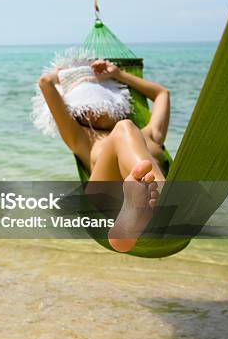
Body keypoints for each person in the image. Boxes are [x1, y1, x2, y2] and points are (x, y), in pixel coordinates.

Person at [38, 59, 170, 252]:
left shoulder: (150, 133)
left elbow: (162, 94)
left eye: (94, 104)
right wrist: (63, 75)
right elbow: (45, 83)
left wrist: (118, 75)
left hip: (143, 200)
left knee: (126, 128)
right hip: (104, 198)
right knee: (124, 128)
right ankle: (157, 199)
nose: (89, 114)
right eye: (81, 110)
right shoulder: (83, 138)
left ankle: (140, 207)